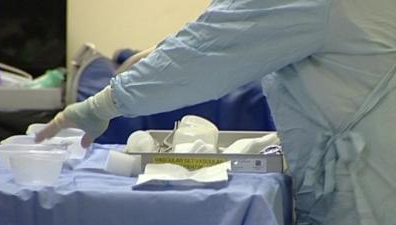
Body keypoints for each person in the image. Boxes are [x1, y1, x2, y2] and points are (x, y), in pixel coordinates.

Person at [35, 0, 396, 224]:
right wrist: (167, 51)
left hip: (366, 191)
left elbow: (207, 50)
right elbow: (229, 31)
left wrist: (97, 107)